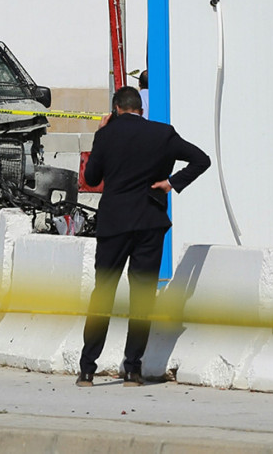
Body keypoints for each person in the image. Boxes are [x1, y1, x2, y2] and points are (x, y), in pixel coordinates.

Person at [77, 86, 210, 388]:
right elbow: (202, 160)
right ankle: (132, 370)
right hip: (149, 222)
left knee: (103, 292)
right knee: (142, 295)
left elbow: (92, 178)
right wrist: (171, 183)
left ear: (116, 108)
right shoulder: (163, 133)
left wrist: (100, 134)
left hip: (113, 225)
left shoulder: (106, 134)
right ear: (140, 109)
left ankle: (87, 369)